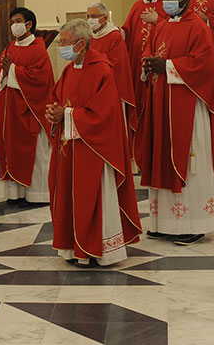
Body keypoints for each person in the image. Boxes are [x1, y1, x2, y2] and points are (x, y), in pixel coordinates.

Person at [136, 0, 214, 245]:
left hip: (188, 108)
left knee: (191, 164)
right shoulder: (162, 26)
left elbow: (203, 65)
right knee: (162, 160)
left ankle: (195, 223)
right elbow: (149, 53)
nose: (167, 1)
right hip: (161, 105)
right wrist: (148, 64)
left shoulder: (199, 29)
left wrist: (166, 65)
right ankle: (164, 222)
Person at [44, 19, 142, 266]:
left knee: (93, 197)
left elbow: (104, 114)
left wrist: (65, 115)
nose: (61, 46)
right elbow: (58, 99)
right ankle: (73, 247)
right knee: (68, 195)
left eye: (64, 42)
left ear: (80, 43)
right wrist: (54, 113)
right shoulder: (68, 70)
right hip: (70, 148)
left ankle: (99, 249)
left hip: (94, 150)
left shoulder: (101, 70)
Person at [0, 7, 54, 205]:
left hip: (30, 110)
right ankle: (16, 194)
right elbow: (0, 69)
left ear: (29, 25)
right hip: (10, 108)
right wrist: (5, 72)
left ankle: (38, 194)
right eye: (12, 22)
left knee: (34, 151)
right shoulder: (11, 47)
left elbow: (40, 79)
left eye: (18, 21)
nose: (14, 26)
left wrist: (12, 70)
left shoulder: (38, 48)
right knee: (12, 148)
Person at [87, 2, 137, 150]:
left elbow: (116, 63)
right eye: (88, 16)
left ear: (104, 18)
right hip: (92, 88)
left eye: (94, 16)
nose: (90, 20)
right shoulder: (89, 36)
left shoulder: (114, 35)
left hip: (111, 88)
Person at [122, 0, 168, 114]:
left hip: (156, 57)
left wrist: (158, 20)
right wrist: (117, 31)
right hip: (137, 58)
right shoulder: (137, 5)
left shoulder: (166, 4)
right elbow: (127, 30)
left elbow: (173, 30)